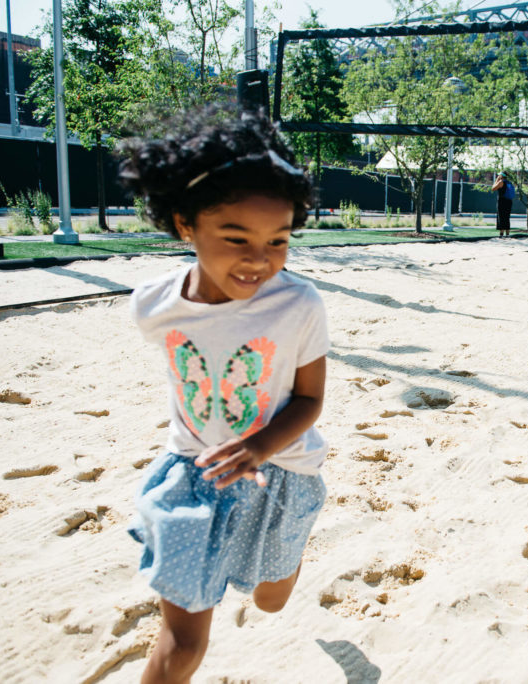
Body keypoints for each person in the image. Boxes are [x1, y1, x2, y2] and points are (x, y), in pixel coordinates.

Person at [119, 107, 330, 682]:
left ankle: (285, 561)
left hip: (282, 473)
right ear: (185, 224)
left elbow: (310, 402)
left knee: (269, 599)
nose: (259, 260)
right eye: (236, 237)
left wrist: (259, 446)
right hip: (195, 475)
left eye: (278, 241)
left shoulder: (299, 305)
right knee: (182, 645)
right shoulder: (153, 306)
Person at [492, 172, 514, 236]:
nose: (498, 175)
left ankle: (501, 233)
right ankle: (507, 234)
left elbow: (493, 188)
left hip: (502, 201)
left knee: (501, 217)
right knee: (507, 217)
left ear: (501, 175)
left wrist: (497, 179)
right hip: (509, 201)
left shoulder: (500, 182)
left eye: (499, 175)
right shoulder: (509, 183)